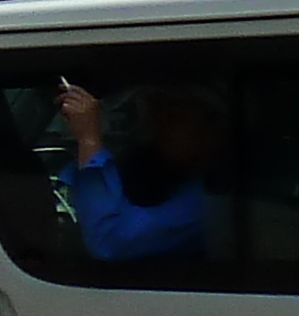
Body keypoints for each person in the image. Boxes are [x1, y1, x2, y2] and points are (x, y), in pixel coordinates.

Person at [58, 76, 226, 261]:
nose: (157, 125)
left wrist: (89, 140)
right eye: (154, 113)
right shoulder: (162, 172)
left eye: (174, 117)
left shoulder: (213, 197)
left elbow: (110, 244)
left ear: (212, 128)